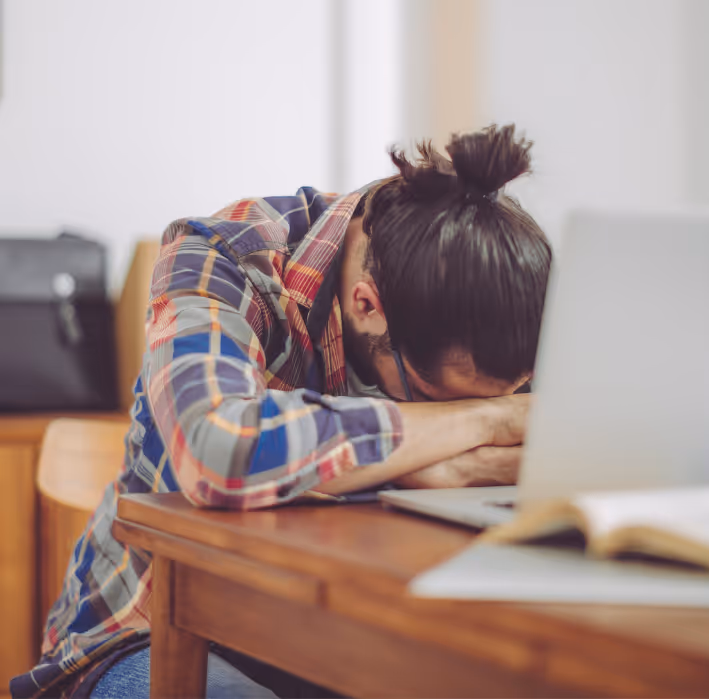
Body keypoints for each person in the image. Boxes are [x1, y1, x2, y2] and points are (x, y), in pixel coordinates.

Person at [10, 124, 552, 698]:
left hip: (348, 629)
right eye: (436, 399)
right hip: (149, 629)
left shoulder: (495, 292)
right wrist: (483, 423)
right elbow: (217, 448)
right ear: (368, 306)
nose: (467, 417)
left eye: (501, 398)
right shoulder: (222, 255)